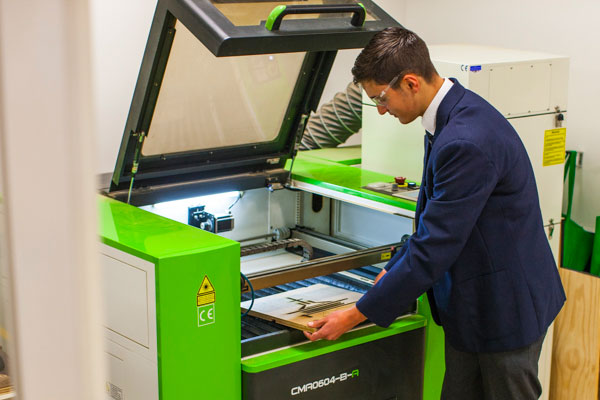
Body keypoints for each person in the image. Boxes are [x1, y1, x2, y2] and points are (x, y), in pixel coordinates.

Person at [303, 27, 566, 400]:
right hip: (474, 306)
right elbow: (434, 223)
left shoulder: (465, 139)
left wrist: (355, 314)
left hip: (505, 309)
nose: (380, 110)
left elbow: (434, 247)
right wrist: (391, 270)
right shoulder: (452, 114)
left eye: (381, 98)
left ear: (410, 83)